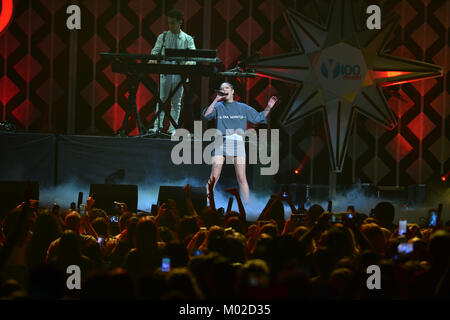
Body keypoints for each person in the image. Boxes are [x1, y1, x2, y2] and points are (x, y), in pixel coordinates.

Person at [201, 82, 278, 203]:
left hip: (238, 143)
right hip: (222, 142)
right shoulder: (218, 106)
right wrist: (216, 99)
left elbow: (258, 118)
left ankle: (246, 205)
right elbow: (206, 116)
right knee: (214, 176)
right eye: (221, 89)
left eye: (226, 88)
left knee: (242, 178)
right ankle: (205, 202)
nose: (224, 90)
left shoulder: (243, 107)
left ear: (232, 92)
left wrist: (269, 106)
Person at [147, 9, 196, 135]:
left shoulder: (188, 38)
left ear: (180, 22)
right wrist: (152, 60)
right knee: (161, 100)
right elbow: (155, 52)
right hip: (165, 72)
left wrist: (189, 63)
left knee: (176, 102)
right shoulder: (163, 37)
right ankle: (157, 127)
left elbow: (194, 57)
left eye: (173, 23)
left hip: (180, 74)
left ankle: (172, 129)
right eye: (169, 23)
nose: (171, 26)